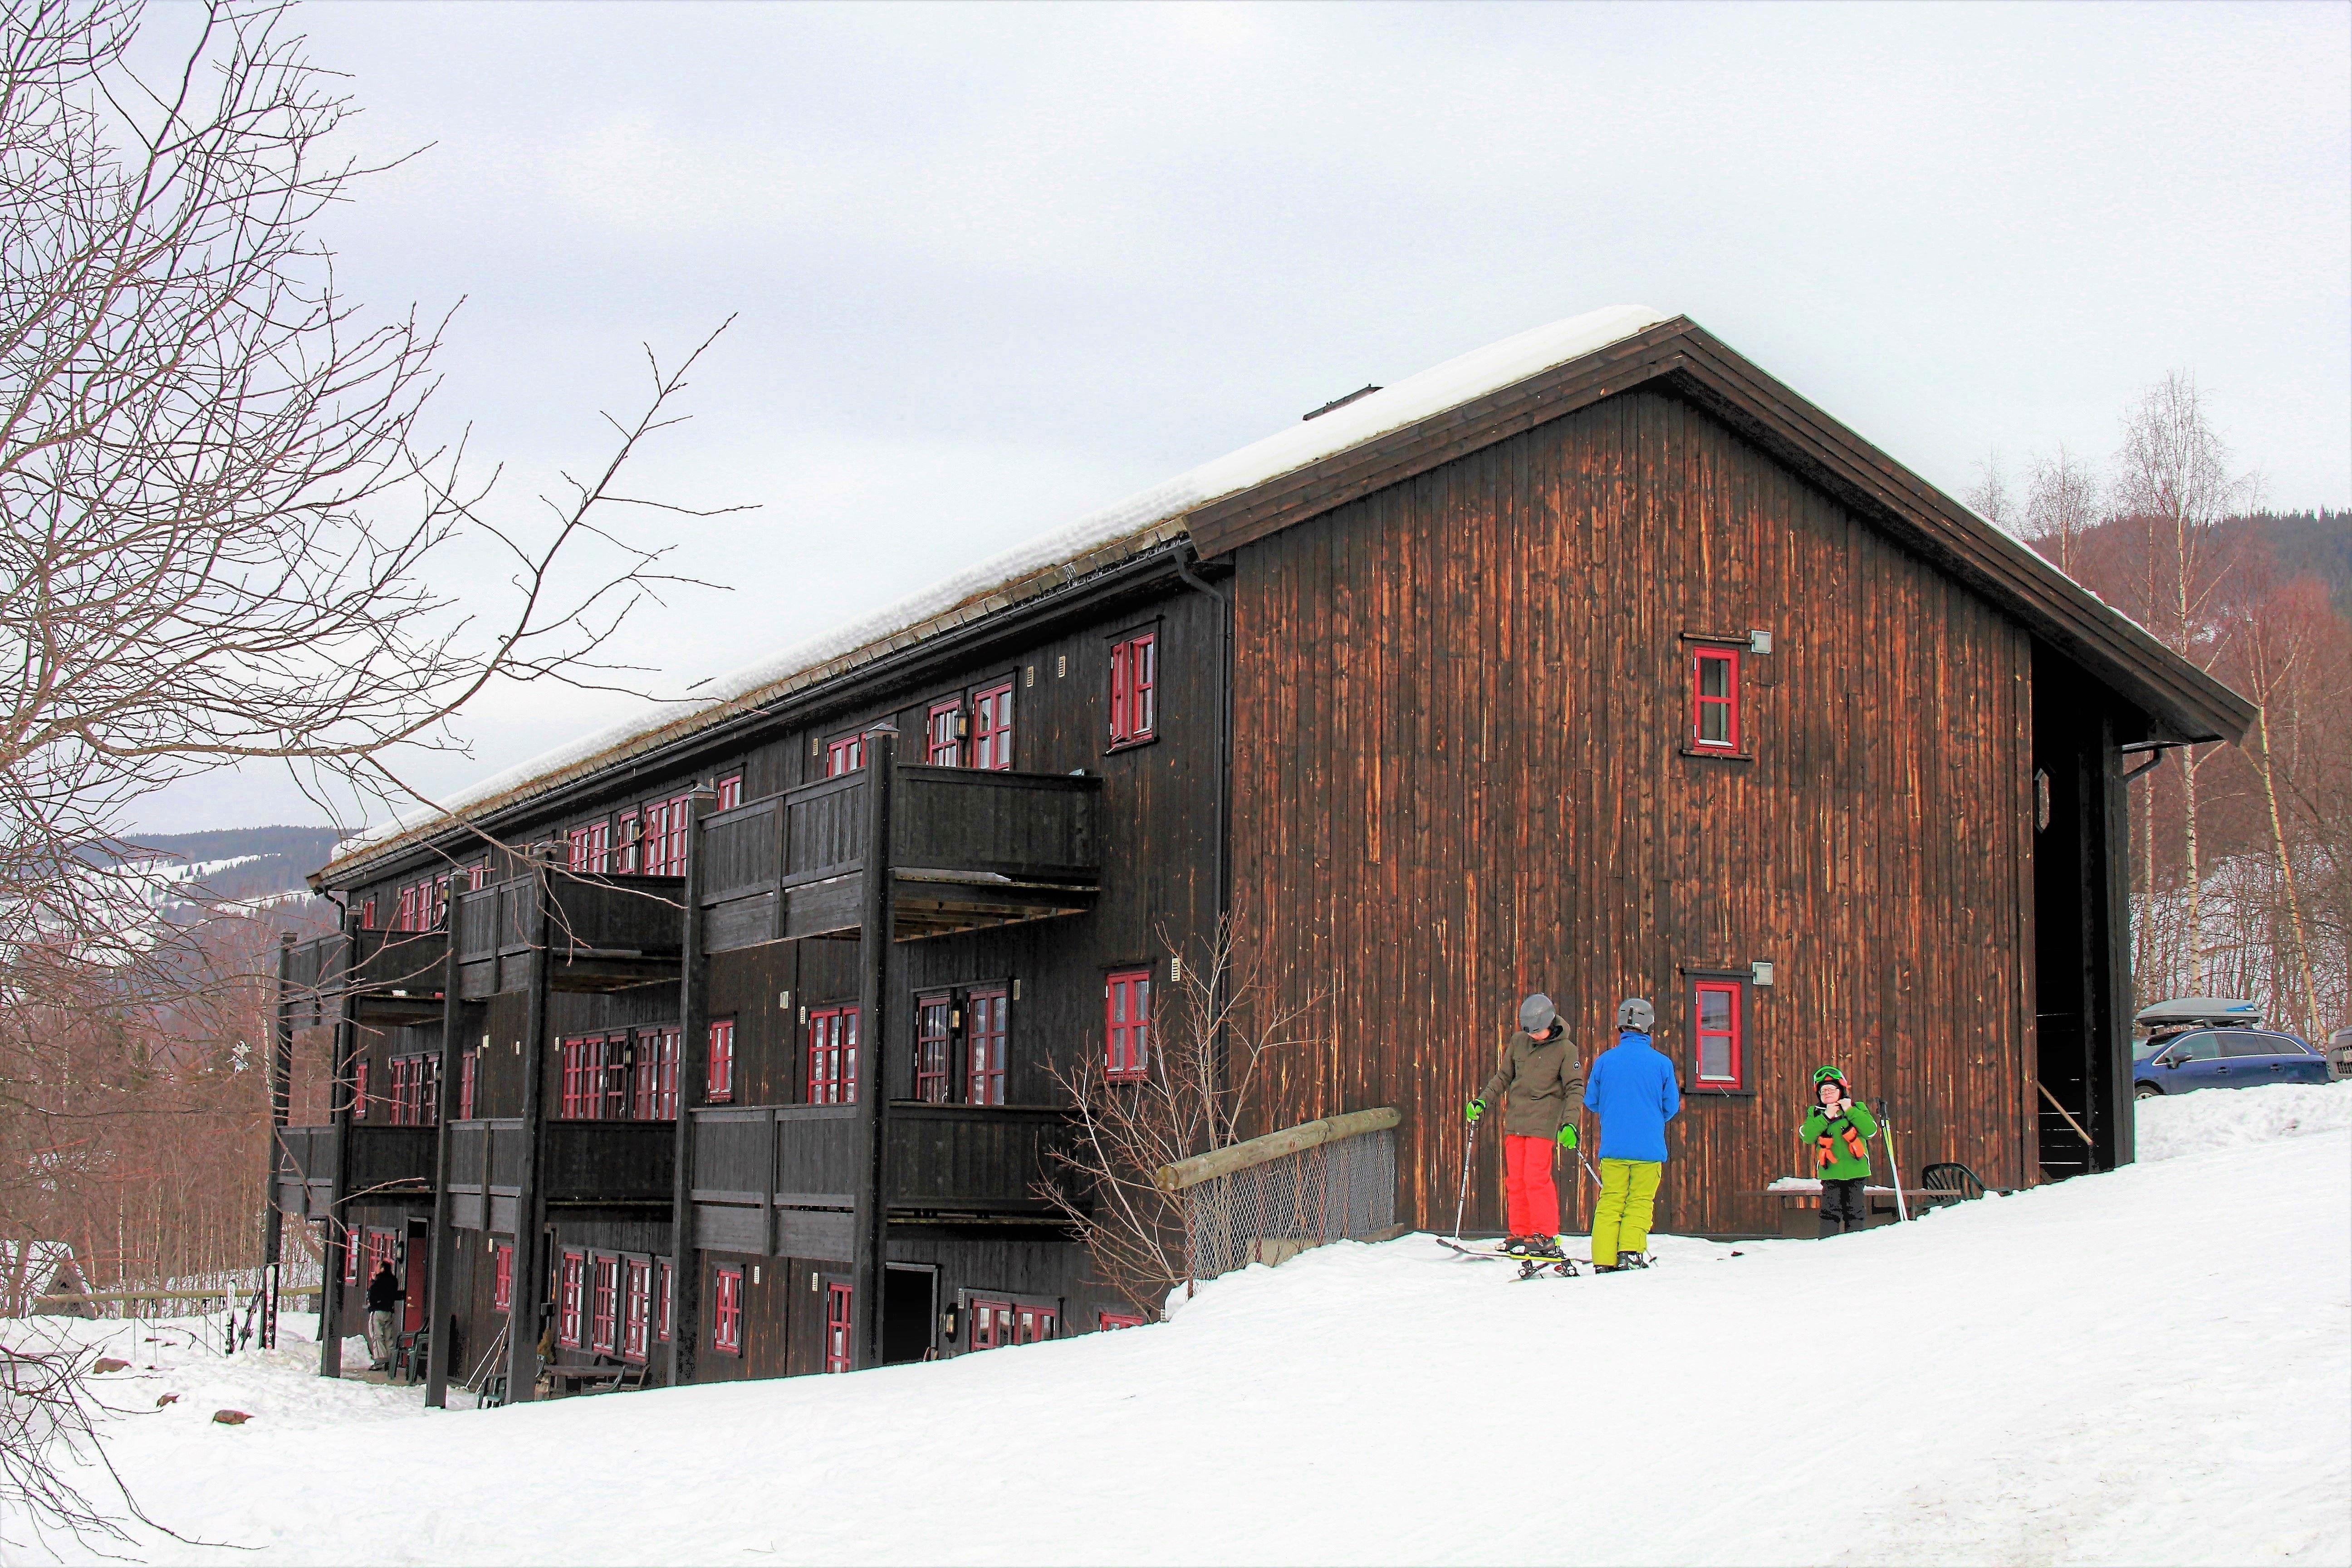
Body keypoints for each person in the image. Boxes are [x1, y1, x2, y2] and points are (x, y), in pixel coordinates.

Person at [1463, 993, 1584, 1256]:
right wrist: (1482, 1101)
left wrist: (1569, 1124)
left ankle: (1546, 1235)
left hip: (1543, 1122)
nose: (1533, 1035)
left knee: (1536, 1178)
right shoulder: (1519, 1043)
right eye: (1529, 1030)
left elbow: (1575, 1088)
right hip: (1516, 1120)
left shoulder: (1566, 1050)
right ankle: (1521, 1233)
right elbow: (1503, 1077)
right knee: (1516, 1180)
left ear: (1550, 1023)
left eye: (1537, 1030)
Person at [1580, 997, 1681, 1271]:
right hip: (1648, 1148)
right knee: (1639, 1201)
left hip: (1613, 1147)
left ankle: (1603, 1258)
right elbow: (1671, 1106)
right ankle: (1630, 1252)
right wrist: (1649, 1118)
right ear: (1649, 1027)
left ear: (1620, 1027)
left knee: (1611, 1200)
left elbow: (1591, 1101)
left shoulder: (1605, 1061)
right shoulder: (1662, 1064)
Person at [1802, 1066, 1878, 1237]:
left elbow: (1870, 1130)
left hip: (1856, 1171)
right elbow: (1807, 1136)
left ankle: (1854, 1245)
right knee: (1830, 1212)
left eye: (1832, 1089)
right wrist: (1826, 1117)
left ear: (1841, 1090)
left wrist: (1850, 1110)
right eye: (1823, 1091)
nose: (1827, 1093)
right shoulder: (1815, 1113)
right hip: (1831, 1173)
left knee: (1855, 1211)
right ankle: (1829, 1244)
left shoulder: (1857, 1108)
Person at [364, 1260, 403, 1371]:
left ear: (382, 1269)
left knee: (377, 1336)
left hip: (378, 1311)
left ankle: (380, 1361)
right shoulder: (393, 1281)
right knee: (388, 1336)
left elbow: (372, 1295)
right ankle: (391, 1361)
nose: (376, 1269)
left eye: (378, 1267)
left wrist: (373, 1281)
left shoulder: (379, 1281)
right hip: (389, 1311)